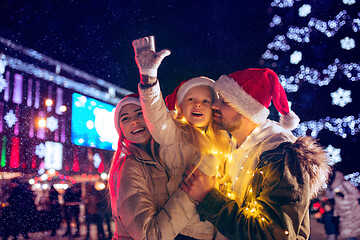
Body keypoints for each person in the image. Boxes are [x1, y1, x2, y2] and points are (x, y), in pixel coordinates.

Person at [181, 68, 331, 239]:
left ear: (247, 109)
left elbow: (274, 235)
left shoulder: (280, 156)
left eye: (226, 102)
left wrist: (209, 197)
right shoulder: (232, 149)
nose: (215, 105)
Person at [132, 36, 230, 239]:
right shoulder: (174, 134)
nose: (198, 104)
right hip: (184, 230)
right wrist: (149, 76)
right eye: (191, 99)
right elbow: (156, 115)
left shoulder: (224, 140)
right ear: (179, 108)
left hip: (215, 228)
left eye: (205, 100)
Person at [108, 93, 223, 239]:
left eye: (140, 113)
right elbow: (149, 236)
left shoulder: (163, 159)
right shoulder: (129, 166)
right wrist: (190, 193)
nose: (134, 121)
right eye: (125, 118)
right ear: (121, 130)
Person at [331, 171, 360, 240]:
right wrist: (336, 214)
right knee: (349, 235)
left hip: (351, 213)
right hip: (346, 215)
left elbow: (356, 194)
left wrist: (345, 197)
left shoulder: (342, 184)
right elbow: (337, 202)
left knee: (351, 234)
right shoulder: (336, 187)